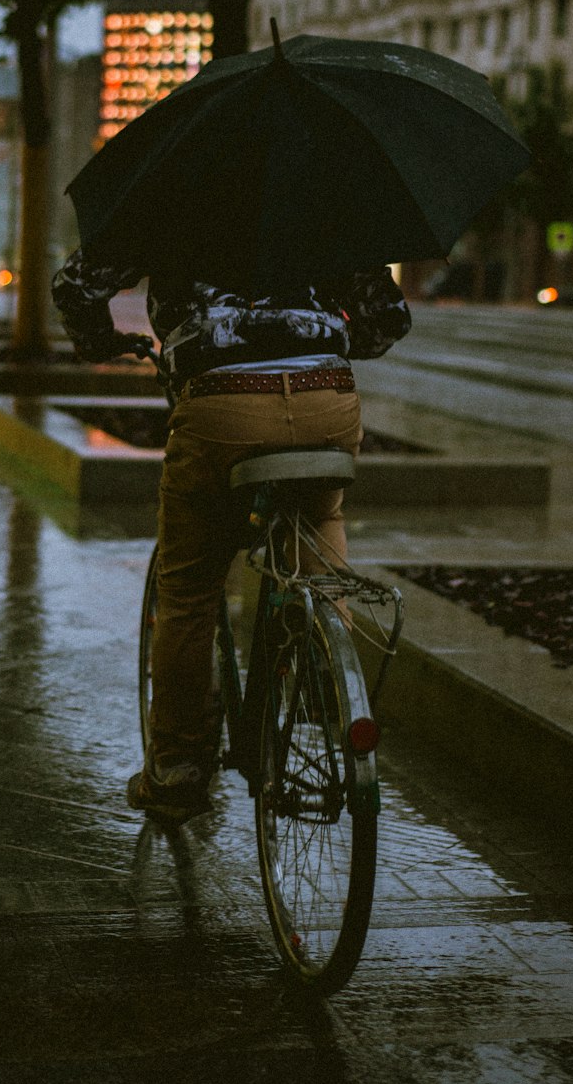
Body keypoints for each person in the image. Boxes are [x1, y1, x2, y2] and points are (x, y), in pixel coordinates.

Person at [52, 249, 411, 823]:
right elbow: (387, 317)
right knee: (319, 520)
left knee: (190, 590)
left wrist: (99, 342)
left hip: (221, 404)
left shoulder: (170, 185)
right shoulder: (319, 188)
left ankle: (175, 769)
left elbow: (76, 285)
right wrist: (332, 342)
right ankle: (323, 650)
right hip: (325, 396)